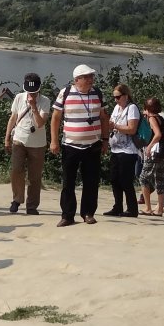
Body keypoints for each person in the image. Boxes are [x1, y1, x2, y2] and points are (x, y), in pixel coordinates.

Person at [51, 64, 110, 226]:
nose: (91, 80)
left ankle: (88, 213)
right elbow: (56, 118)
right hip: (70, 145)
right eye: (87, 77)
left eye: (91, 76)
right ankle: (67, 215)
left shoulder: (98, 93)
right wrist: (54, 140)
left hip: (93, 145)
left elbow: (104, 118)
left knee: (91, 181)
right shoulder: (65, 93)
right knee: (68, 182)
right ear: (77, 79)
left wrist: (105, 140)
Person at [6, 72, 50, 214]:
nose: (32, 94)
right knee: (16, 170)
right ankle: (17, 199)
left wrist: (34, 107)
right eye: (29, 91)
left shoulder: (45, 101)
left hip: (37, 144)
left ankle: (32, 206)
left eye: (34, 92)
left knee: (34, 176)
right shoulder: (19, 97)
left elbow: (40, 123)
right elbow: (13, 117)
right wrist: (7, 138)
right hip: (19, 139)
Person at [105, 83, 142, 217]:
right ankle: (118, 206)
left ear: (126, 96)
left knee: (125, 180)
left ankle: (132, 209)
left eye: (118, 97)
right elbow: (111, 123)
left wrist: (115, 126)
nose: (116, 100)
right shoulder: (116, 108)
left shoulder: (132, 108)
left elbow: (132, 129)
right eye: (114, 97)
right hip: (115, 148)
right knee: (114, 179)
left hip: (128, 150)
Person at [140, 97, 164, 216]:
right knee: (161, 180)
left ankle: (148, 207)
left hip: (155, 151)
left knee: (143, 178)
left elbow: (157, 134)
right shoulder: (161, 118)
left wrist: (149, 147)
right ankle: (160, 209)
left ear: (147, 108)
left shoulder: (152, 118)